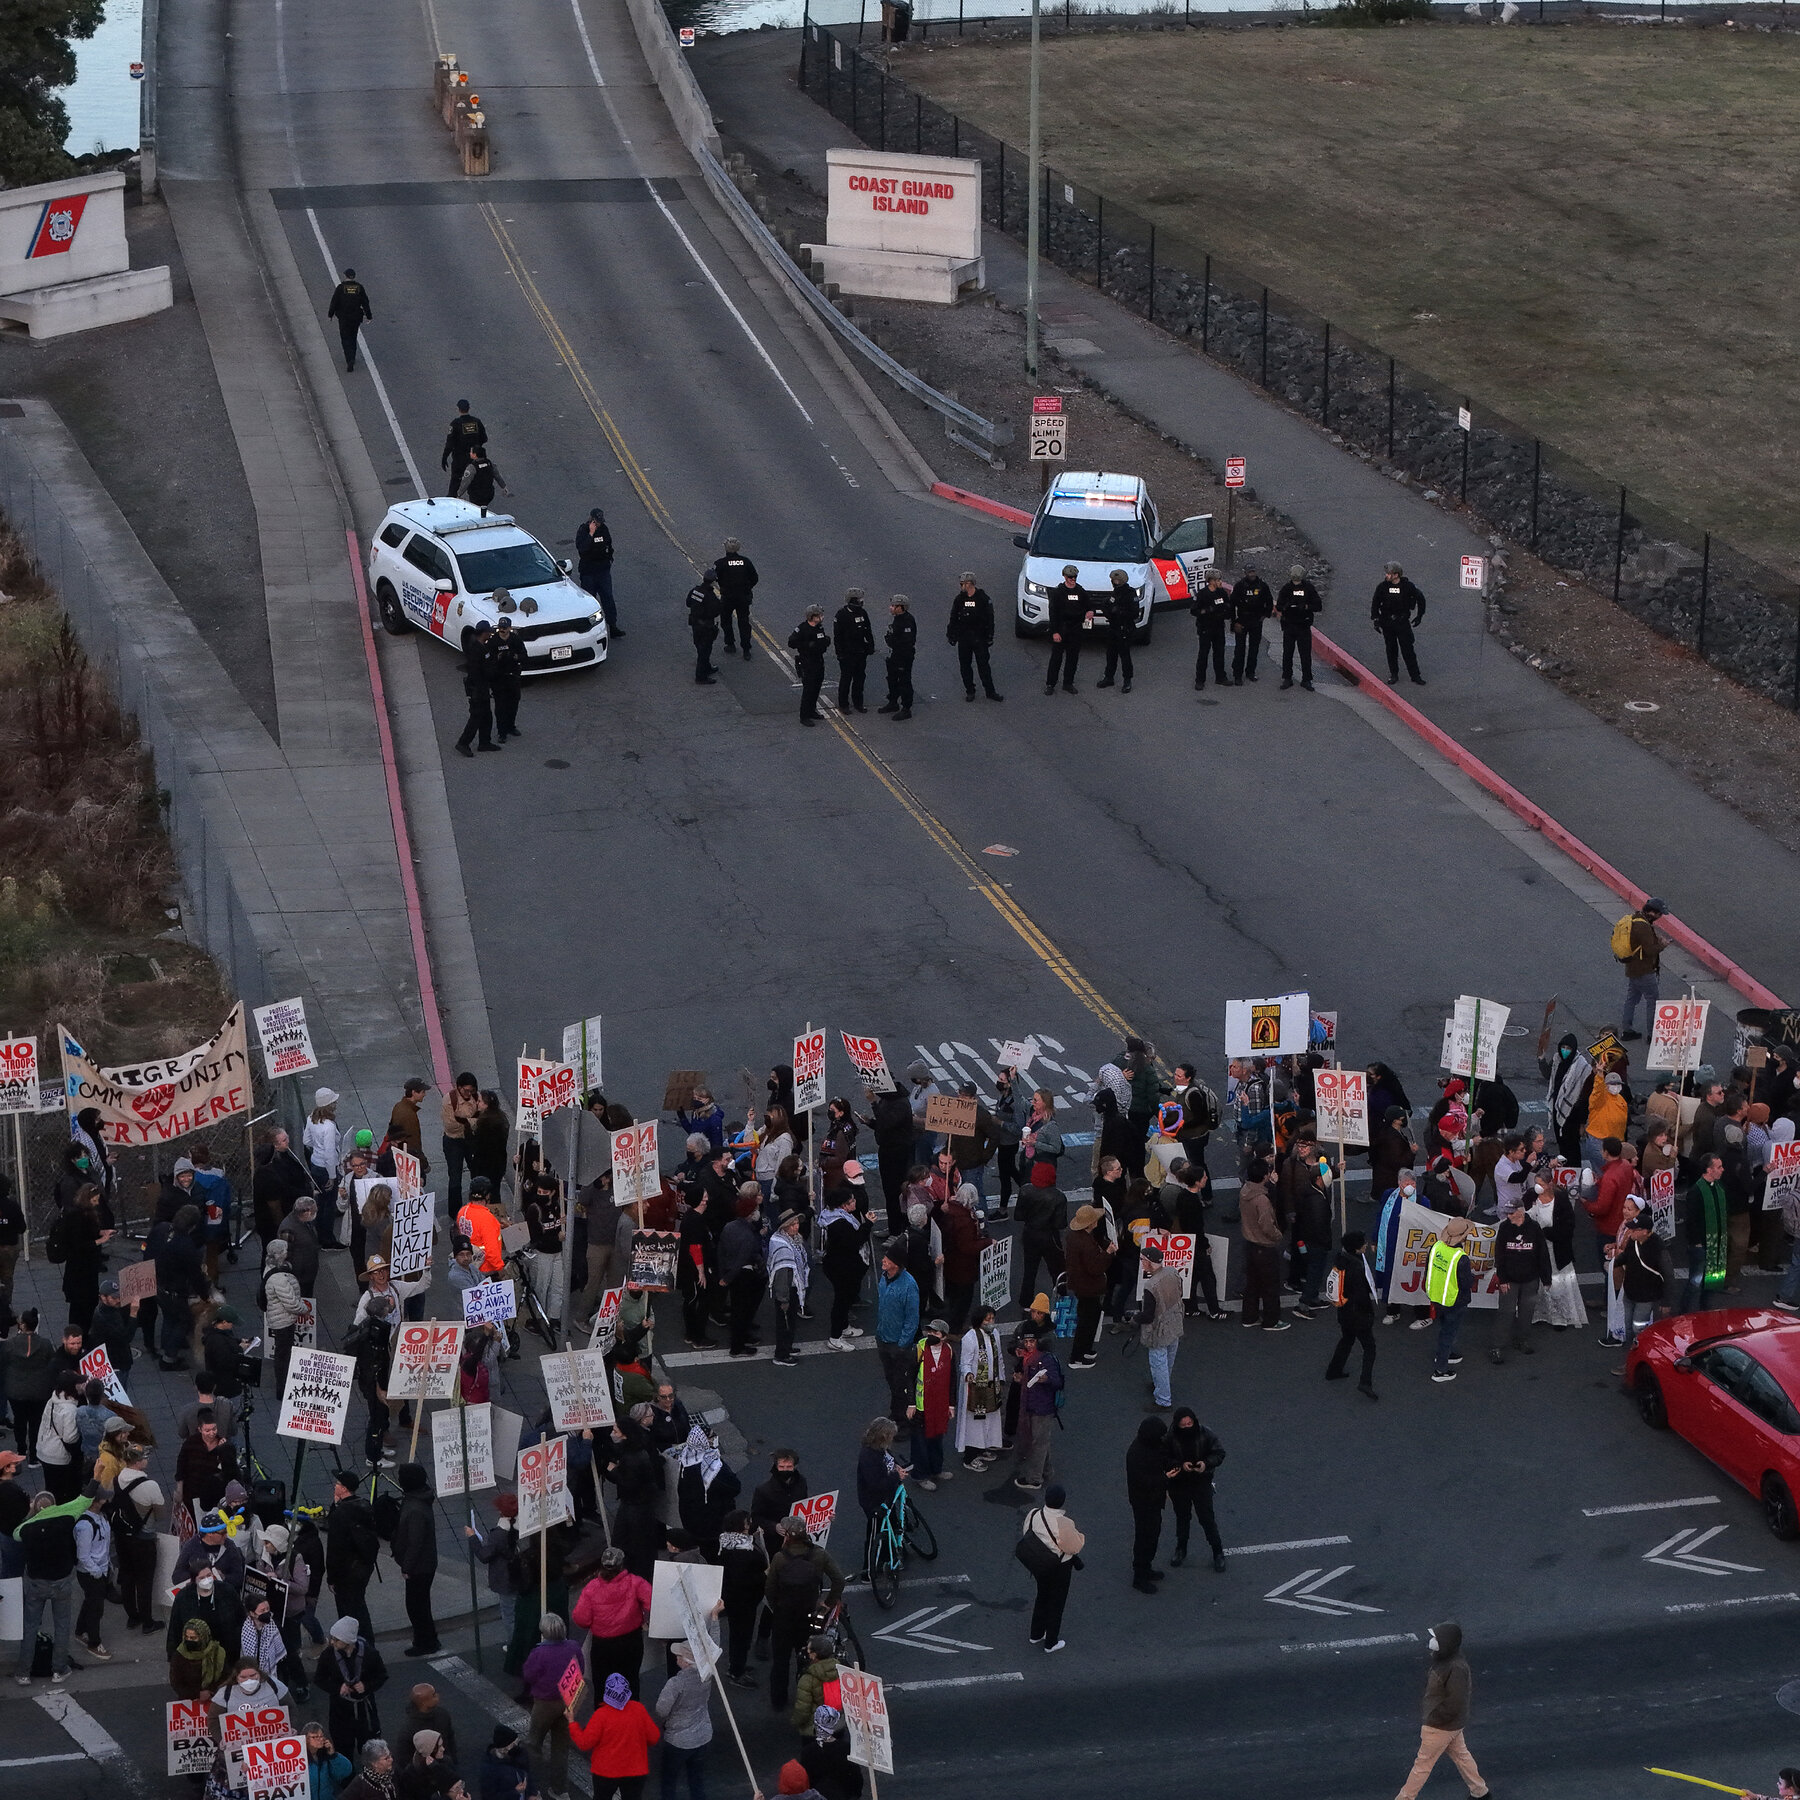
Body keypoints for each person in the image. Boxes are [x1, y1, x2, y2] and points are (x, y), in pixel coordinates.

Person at [1394, 1622, 1488, 1800]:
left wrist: (1434, 1717)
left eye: (1436, 1638)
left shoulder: (1455, 1667)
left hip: (1440, 1726)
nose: (1432, 1641)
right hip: (1452, 1725)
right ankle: (1480, 1792)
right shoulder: (1448, 1660)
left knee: (1422, 1765)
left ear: (1446, 1642)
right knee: (1462, 1756)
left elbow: (1456, 1701)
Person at [764, 1515, 844, 1714]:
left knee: (781, 1660)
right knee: (808, 1657)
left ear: (788, 1536)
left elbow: (770, 1590)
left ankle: (778, 1700)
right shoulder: (819, 1554)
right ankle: (807, 1695)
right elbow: (839, 1580)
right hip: (810, 1614)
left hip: (784, 1616)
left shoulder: (779, 1558)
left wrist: (777, 1607)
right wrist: (828, 1603)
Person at [13, 1487, 88, 1682]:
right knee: (62, 1626)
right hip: (61, 1582)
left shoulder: (27, 1530)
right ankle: (59, 1669)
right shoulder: (65, 1522)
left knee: (30, 1627)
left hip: (36, 1583)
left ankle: (23, 1672)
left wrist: (30, 1513)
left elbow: (16, 1533)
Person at [573, 1546, 653, 1698]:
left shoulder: (591, 1588)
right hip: (630, 1642)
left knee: (602, 1685)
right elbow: (653, 1603)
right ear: (622, 1565)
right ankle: (631, 1716)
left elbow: (581, 1619)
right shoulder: (635, 1583)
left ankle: (604, 1718)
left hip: (603, 1646)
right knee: (631, 1681)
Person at [569, 1671, 660, 1800]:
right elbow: (654, 1737)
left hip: (605, 1772)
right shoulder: (638, 1709)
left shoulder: (601, 1715)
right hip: (635, 1770)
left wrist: (572, 1723)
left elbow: (584, 1743)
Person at [520, 1614, 581, 1798]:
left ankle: (531, 1786)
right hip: (567, 1702)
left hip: (545, 1704)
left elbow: (528, 1675)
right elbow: (581, 1669)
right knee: (561, 1748)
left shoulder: (539, 1653)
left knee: (534, 1743)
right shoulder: (574, 1648)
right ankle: (560, 1790)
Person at [1018, 1482, 1083, 1652]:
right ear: (1062, 1502)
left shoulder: (1033, 1514)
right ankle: (1051, 1641)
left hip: (1039, 1564)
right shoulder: (1065, 1523)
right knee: (1057, 1602)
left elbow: (1026, 1533)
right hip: (1059, 1568)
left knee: (1042, 1596)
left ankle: (1036, 1634)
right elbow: (1074, 1547)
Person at [1490, 1197, 1551, 1365]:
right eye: (1508, 1213)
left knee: (1526, 1313)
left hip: (1530, 1279)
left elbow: (1542, 1254)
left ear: (1521, 1211)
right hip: (1510, 1279)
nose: (1509, 1216)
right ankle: (1496, 1346)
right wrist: (1502, 1279)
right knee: (1506, 1312)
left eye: (1512, 1212)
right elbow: (1500, 1256)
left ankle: (1522, 1339)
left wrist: (1546, 1278)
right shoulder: (1504, 1228)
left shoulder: (1534, 1228)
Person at [317, 1616, 388, 1757]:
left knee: (369, 1748)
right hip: (340, 1708)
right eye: (332, 1638)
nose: (332, 1642)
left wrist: (367, 1686)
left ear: (348, 1641)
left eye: (336, 1639)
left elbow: (382, 1675)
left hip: (364, 1709)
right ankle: (347, 1777)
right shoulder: (328, 1654)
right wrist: (338, 1688)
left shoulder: (370, 1654)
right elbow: (319, 1679)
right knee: (343, 1747)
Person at [327, 1469, 381, 1642]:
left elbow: (335, 1549)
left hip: (346, 1572)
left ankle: (356, 1643)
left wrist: (331, 1578)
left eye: (338, 1483)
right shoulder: (365, 1506)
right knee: (358, 1604)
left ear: (344, 1489)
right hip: (363, 1567)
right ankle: (364, 1642)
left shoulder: (340, 1515)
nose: (335, 1485)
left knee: (349, 1611)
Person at [1324, 1230, 1379, 1399]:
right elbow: (1361, 1296)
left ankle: (1334, 1370)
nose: (1365, 1245)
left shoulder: (1341, 1260)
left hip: (1344, 1311)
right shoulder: (1356, 1267)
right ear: (1356, 1248)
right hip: (1358, 1315)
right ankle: (1365, 1382)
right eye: (1362, 1243)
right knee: (1370, 1348)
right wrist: (1370, 1315)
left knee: (1347, 1339)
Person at [654, 1640, 713, 1800]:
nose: (676, 1657)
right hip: (702, 1735)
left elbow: (661, 1710)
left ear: (686, 1662)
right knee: (696, 1781)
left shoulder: (676, 1683)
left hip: (678, 1740)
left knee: (669, 1781)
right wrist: (714, 1620)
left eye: (679, 1655)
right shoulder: (707, 1674)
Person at [1124, 1417, 1173, 1595]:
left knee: (1153, 1534)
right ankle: (1139, 1575)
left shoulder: (1151, 1446)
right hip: (1143, 1502)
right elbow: (1145, 1482)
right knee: (1145, 1537)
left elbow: (1163, 1458)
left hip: (1153, 1499)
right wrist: (1166, 1477)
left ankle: (1146, 1568)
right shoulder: (1136, 1454)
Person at [1011, 1328, 1063, 1493]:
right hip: (1033, 1406)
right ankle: (1046, 1471)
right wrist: (1022, 1380)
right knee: (1040, 1441)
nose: (1028, 1345)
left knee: (1038, 1443)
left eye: (1031, 1341)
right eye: (1026, 1342)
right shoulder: (1030, 1358)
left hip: (1042, 1408)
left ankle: (1034, 1479)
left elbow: (1058, 1382)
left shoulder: (1046, 1360)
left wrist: (1046, 1379)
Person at [907, 1318, 955, 1489]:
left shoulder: (948, 1351)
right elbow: (910, 1378)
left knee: (937, 1438)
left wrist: (951, 1405)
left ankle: (936, 1469)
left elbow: (952, 1379)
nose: (931, 1335)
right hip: (921, 1406)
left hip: (939, 1405)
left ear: (944, 1337)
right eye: (930, 1332)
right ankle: (920, 1475)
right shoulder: (919, 1349)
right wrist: (911, 1403)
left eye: (936, 1332)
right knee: (920, 1442)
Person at [1427, 1218, 1476, 1383]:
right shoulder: (1461, 1258)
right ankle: (1440, 1370)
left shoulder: (1436, 1247)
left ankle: (1445, 1354)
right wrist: (1473, 1275)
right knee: (1449, 1332)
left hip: (1436, 1296)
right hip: (1454, 1301)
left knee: (1445, 1329)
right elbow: (1466, 1283)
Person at [875, 1246, 920, 1420]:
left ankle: (903, 1420)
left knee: (901, 1383)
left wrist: (902, 1344)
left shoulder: (909, 1285)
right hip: (883, 1339)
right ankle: (897, 1415)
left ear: (897, 1264)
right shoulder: (885, 1277)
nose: (883, 1260)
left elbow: (912, 1319)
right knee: (892, 1381)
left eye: (887, 1259)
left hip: (898, 1345)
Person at [1139, 1242, 1184, 1410]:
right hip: (1175, 1320)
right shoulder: (1172, 1272)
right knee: (1169, 1358)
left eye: (1143, 1259)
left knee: (1158, 1362)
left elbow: (1148, 1315)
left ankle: (1163, 1400)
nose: (1142, 1262)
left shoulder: (1151, 1285)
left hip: (1159, 1329)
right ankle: (1161, 1385)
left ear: (1149, 1261)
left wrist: (1134, 1319)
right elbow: (1181, 1293)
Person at [1617, 898, 1667, 1041]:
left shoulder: (1635, 919)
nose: (1660, 917)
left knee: (1631, 999)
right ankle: (1652, 1034)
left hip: (1632, 968)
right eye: (1659, 914)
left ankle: (1627, 1030)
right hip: (1644, 970)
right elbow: (1650, 951)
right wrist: (1662, 945)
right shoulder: (1643, 927)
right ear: (1653, 912)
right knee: (1653, 1000)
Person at [946, 573, 1002, 701]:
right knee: (965, 665)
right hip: (964, 638)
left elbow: (990, 618)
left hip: (979, 638)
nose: (961, 587)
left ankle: (990, 691)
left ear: (969, 584)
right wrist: (951, 634)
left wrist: (989, 636)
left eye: (962, 584)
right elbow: (953, 617)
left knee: (983, 665)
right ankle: (970, 690)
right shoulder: (959, 599)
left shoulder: (982, 598)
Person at [1371, 560, 1427, 685]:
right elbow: (1375, 603)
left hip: (1402, 622)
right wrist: (1376, 619)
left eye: (1389, 573)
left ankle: (1415, 675)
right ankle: (1394, 674)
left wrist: (1419, 616)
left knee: (1408, 650)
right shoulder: (1382, 587)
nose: (1386, 576)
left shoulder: (1407, 587)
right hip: (1387, 622)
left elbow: (1420, 598)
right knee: (1391, 650)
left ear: (1396, 575)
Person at [767, 1210, 810, 1368]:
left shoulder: (791, 1240)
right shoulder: (784, 1247)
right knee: (784, 1322)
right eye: (792, 1224)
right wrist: (783, 1298)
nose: (796, 1227)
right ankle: (781, 1354)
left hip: (792, 1288)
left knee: (789, 1321)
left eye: (797, 1223)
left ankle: (787, 1347)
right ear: (784, 1228)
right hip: (786, 1290)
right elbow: (782, 1276)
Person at [456, 622, 500, 756]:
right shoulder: (476, 650)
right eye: (488, 632)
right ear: (483, 633)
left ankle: (484, 742)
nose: (490, 634)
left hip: (482, 688)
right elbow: (477, 672)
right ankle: (463, 743)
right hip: (478, 690)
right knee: (476, 717)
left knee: (487, 716)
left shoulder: (481, 647)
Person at [1276, 563, 1323, 689]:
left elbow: (1318, 605)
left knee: (1305, 654)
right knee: (1287, 653)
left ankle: (1306, 679)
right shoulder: (1286, 589)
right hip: (1289, 624)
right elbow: (1279, 605)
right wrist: (1287, 606)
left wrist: (1306, 606)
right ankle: (1287, 677)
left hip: (1303, 625)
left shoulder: (1308, 588)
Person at [576, 509, 619, 638]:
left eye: (600, 522)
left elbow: (609, 545)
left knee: (608, 598)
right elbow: (582, 548)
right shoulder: (583, 530)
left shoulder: (604, 529)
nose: (599, 524)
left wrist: (609, 559)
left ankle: (613, 626)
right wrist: (591, 533)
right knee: (590, 603)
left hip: (603, 571)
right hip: (589, 572)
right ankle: (590, 630)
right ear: (592, 519)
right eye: (597, 522)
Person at [1228, 562, 1274, 683]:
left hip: (1256, 621)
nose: (1252, 574)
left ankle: (1250, 672)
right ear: (1245, 573)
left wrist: (1264, 616)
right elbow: (1232, 605)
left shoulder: (1262, 586)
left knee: (1254, 649)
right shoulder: (1239, 586)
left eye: (1253, 571)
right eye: (1250, 572)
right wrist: (1234, 623)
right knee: (1240, 649)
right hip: (1242, 620)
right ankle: (1237, 675)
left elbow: (1269, 602)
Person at [1044, 565, 1087, 694]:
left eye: (1075, 577)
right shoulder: (1058, 593)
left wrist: (1089, 611)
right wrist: (1054, 632)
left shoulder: (1080, 591)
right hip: (1061, 629)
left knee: (1072, 658)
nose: (1073, 579)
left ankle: (1068, 683)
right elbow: (1053, 614)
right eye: (1070, 577)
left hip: (1075, 630)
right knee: (1056, 658)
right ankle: (1050, 684)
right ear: (1064, 576)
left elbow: (1088, 605)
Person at [714, 538, 758, 658]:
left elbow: (714, 577)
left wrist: (723, 586)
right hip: (743, 597)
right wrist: (747, 588)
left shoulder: (720, 563)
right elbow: (754, 578)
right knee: (744, 622)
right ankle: (746, 649)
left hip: (728, 597)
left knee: (726, 621)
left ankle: (730, 644)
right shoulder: (746, 561)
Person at [1094, 568, 1137, 692]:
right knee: (1110, 654)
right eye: (1113, 580)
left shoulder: (1130, 593)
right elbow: (1109, 606)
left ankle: (1127, 680)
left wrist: (1120, 612)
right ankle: (1109, 677)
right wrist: (1107, 609)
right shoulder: (1115, 592)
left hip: (1124, 628)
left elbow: (1134, 613)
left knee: (1125, 656)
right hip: (1113, 628)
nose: (1115, 582)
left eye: (1117, 580)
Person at [788, 607, 831, 726]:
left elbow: (821, 640)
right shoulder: (802, 629)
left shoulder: (819, 627)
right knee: (808, 689)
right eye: (819, 615)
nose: (822, 617)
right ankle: (804, 716)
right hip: (807, 662)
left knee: (816, 687)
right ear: (812, 617)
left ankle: (812, 711)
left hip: (818, 660)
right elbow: (791, 642)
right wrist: (807, 645)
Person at [486, 616, 527, 742]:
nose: (502, 630)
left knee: (514, 702)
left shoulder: (515, 639)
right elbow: (487, 660)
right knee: (500, 706)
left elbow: (524, 655)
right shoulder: (493, 642)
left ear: (510, 628)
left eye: (504, 628)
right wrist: (497, 658)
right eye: (500, 628)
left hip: (513, 676)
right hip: (499, 678)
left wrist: (514, 656)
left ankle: (511, 726)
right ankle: (501, 732)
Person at [1190, 568, 1230, 690]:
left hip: (1218, 627)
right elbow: (1194, 610)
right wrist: (1207, 610)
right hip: (1206, 628)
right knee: (1203, 654)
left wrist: (1226, 612)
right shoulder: (1202, 594)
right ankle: (1200, 680)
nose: (1220, 582)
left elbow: (1227, 605)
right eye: (1218, 580)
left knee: (1219, 653)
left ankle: (1220, 677)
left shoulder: (1222, 593)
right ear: (1211, 581)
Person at [878, 595, 916, 721]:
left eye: (894, 606)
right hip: (894, 655)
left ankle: (906, 708)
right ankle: (893, 702)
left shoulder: (907, 621)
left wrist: (892, 641)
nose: (891, 608)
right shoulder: (896, 619)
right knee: (892, 679)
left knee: (904, 681)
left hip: (903, 656)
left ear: (901, 607)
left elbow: (906, 641)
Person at [327, 269, 373, 372]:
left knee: (345, 338)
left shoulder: (340, 288)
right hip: (356, 317)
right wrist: (369, 316)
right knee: (353, 336)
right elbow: (365, 302)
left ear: (346, 276)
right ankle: (352, 356)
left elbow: (334, 302)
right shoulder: (359, 288)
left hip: (343, 317)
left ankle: (349, 359)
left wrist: (330, 314)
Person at [442, 400, 486, 498]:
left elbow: (449, 444)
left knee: (455, 480)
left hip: (459, 458)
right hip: (474, 457)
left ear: (458, 409)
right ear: (469, 408)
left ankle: (452, 499)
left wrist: (444, 457)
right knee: (475, 479)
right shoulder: (477, 422)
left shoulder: (455, 423)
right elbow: (484, 438)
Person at [687, 574, 723, 684]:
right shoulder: (710, 595)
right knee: (705, 651)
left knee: (699, 646)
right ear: (712, 582)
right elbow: (715, 611)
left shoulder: (695, 590)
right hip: (705, 627)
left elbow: (688, 603)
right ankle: (701, 676)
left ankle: (707, 667)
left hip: (695, 624)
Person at [307, 1722, 355, 1800]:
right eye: (314, 1737)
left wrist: (333, 1756)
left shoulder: (326, 1757)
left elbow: (345, 1772)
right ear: (305, 1739)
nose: (320, 1739)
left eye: (321, 1736)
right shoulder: (300, 1759)